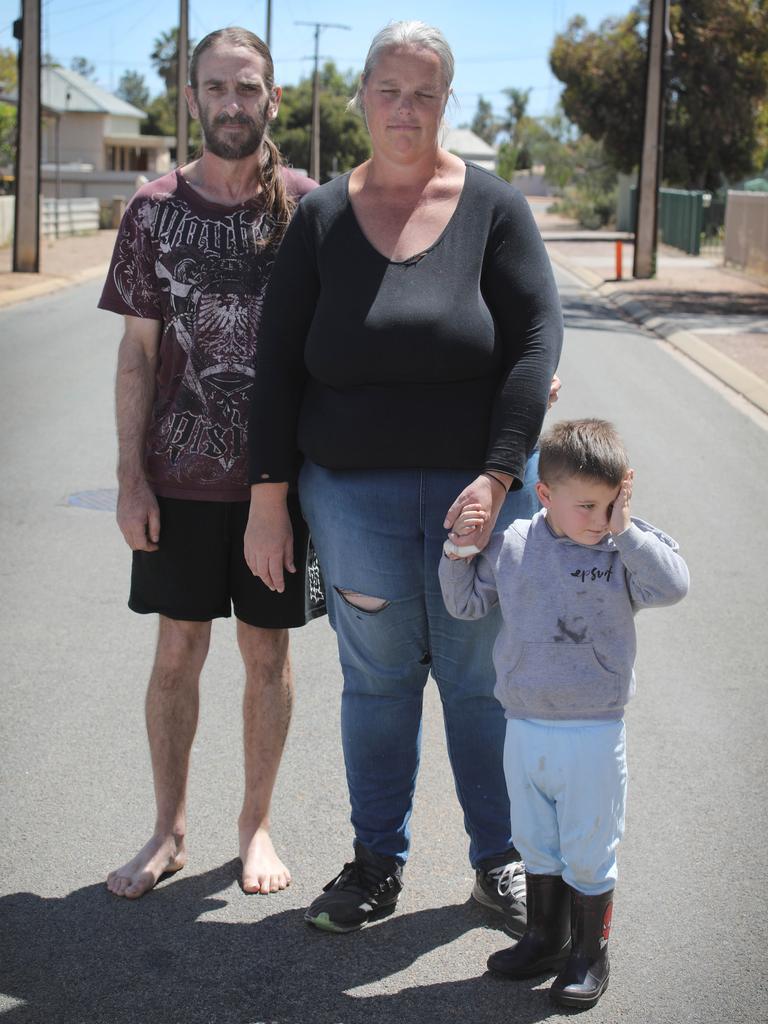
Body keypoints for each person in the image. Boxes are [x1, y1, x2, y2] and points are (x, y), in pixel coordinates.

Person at [244, 20, 563, 934]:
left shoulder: (495, 207)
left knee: (479, 683)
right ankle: (375, 862)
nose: (405, 108)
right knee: (378, 684)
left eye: (424, 92)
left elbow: (537, 342)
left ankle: (497, 862)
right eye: (389, 89)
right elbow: (277, 364)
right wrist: (269, 501)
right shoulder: (322, 219)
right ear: (361, 99)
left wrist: (502, 476)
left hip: (481, 501)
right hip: (353, 500)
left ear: (446, 103)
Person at [98, 28, 320, 899]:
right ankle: (167, 829)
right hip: (179, 479)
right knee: (177, 652)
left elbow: (366, 328)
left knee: (267, 655)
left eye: (249, 88)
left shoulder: (307, 206)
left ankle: (255, 824)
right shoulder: (152, 209)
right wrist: (129, 478)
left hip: (280, 485)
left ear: (273, 99)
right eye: (217, 88)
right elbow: (137, 358)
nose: (233, 103)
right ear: (192, 99)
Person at [439, 419, 689, 1008]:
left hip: (593, 730)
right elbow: (465, 602)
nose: (598, 519)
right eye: (586, 506)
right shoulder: (515, 543)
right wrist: (458, 551)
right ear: (545, 495)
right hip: (524, 726)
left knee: (589, 844)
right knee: (536, 842)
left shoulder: (620, 546)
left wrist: (625, 530)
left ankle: (589, 953)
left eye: (609, 504)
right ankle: (545, 937)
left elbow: (675, 585)